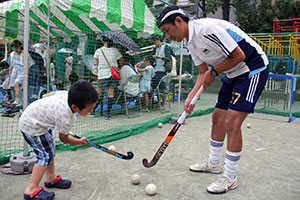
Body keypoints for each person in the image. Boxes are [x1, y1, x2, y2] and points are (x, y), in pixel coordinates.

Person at [156, 6, 269, 194]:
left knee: (231, 122)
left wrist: (214, 71)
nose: (167, 36)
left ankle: (230, 177)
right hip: (232, 72)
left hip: (252, 69)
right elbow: (202, 73)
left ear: (179, 21)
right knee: (217, 117)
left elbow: (238, 55)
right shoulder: (189, 42)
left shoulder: (206, 29)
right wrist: (191, 98)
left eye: (167, 30)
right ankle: (214, 163)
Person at [19, 80, 98, 200]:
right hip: (32, 126)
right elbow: (64, 139)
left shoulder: (67, 95)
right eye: (89, 109)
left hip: (40, 121)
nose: (91, 111)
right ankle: (31, 190)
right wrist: (80, 142)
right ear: (74, 107)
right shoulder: (66, 117)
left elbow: (48, 95)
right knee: (45, 156)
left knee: (50, 151)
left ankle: (50, 179)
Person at [94, 36, 122, 120]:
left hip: (102, 74)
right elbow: (120, 59)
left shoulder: (99, 51)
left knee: (98, 94)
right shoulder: (115, 50)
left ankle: (92, 111)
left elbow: (97, 62)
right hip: (112, 74)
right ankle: (108, 114)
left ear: (103, 40)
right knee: (110, 94)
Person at [151, 34, 172, 110]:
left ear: (158, 40)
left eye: (154, 41)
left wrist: (159, 57)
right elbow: (151, 57)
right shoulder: (155, 49)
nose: (154, 43)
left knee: (163, 88)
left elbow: (168, 58)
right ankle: (158, 103)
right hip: (155, 70)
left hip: (162, 70)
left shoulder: (166, 47)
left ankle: (163, 104)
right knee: (155, 88)